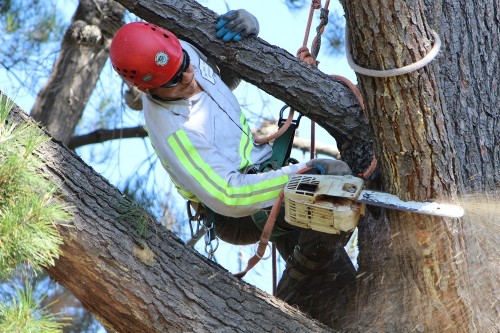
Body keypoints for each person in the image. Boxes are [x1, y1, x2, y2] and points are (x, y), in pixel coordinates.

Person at [109, 10, 356, 299]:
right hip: (236, 212)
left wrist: (251, 24)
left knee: (335, 212)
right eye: (174, 81)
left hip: (261, 169)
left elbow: (218, 79)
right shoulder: (176, 132)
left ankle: (318, 275)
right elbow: (229, 196)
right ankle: (304, 291)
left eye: (185, 66)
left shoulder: (182, 51)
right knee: (323, 210)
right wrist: (302, 175)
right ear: (149, 88)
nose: (189, 77)